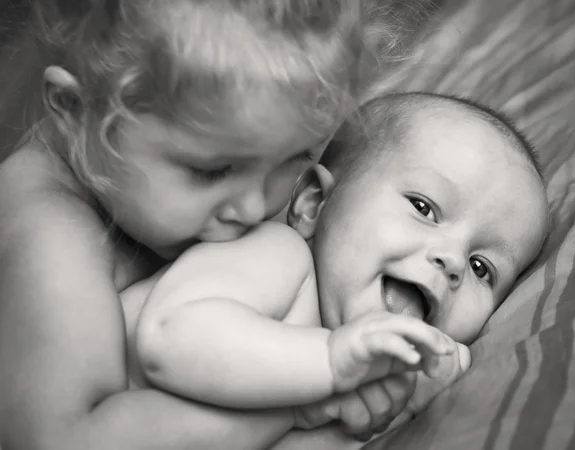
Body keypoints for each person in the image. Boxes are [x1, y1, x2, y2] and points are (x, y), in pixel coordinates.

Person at [0, 1, 366, 449]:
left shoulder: (184, 178)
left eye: (296, 158)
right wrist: (298, 402)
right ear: (77, 110)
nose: (254, 207)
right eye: (212, 171)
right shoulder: (48, 237)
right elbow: (66, 440)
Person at [122, 91, 549, 447]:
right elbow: (168, 338)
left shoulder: (347, 380)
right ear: (314, 203)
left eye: (482, 267)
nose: (453, 261)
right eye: (424, 208)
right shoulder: (280, 259)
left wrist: (397, 410)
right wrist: (328, 366)